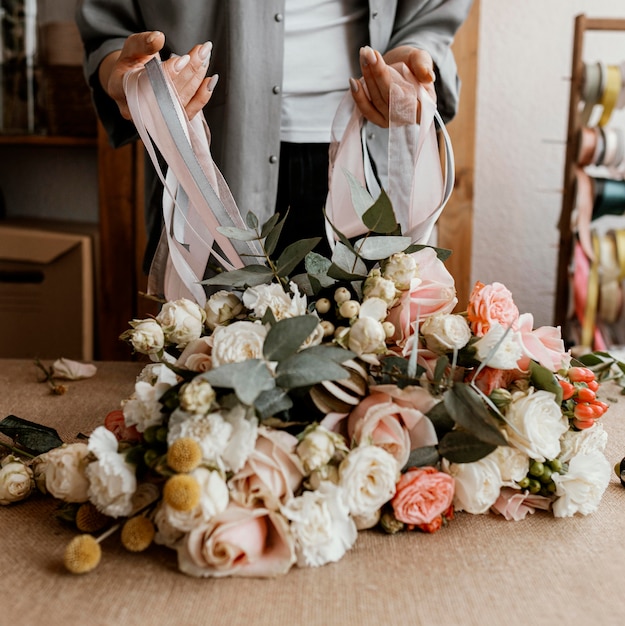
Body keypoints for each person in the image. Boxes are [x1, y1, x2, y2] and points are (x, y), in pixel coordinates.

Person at [75, 1, 473, 272]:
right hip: (209, 159)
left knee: (372, 363)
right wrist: (123, 77)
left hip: (374, 157)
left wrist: (413, 55)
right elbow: (111, 26)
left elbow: (430, 13)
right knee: (209, 362)